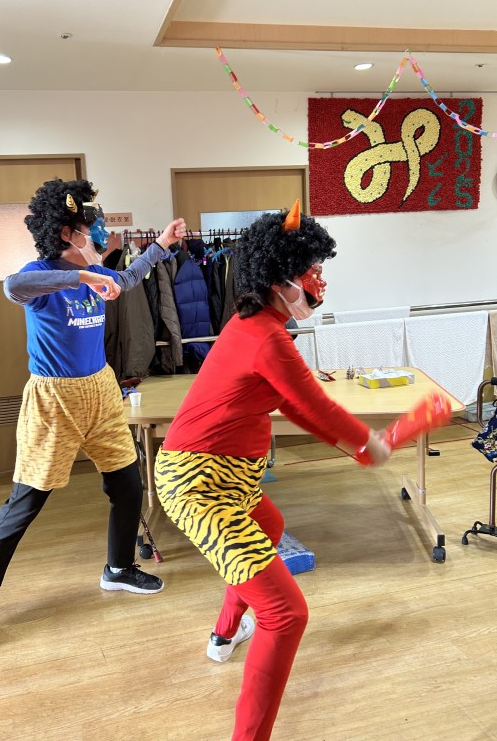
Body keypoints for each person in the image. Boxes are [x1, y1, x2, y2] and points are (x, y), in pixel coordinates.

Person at [154, 206, 391, 741]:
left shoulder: (258, 325)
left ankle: (224, 633)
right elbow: (315, 405)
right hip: (199, 486)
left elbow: (298, 406)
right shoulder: (265, 337)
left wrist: (355, 448)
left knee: (271, 526)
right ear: (280, 278)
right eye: (312, 271)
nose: (320, 281)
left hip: (227, 480)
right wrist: (365, 442)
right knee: (286, 614)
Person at [0, 178, 186, 652]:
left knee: (127, 485)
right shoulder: (41, 276)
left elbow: (129, 277)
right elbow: (11, 286)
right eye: (90, 225)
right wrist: (82, 278)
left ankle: (118, 567)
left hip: (100, 390)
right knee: (25, 503)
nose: (100, 232)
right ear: (66, 233)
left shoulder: (96, 271)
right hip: (53, 401)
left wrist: (160, 245)